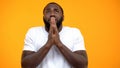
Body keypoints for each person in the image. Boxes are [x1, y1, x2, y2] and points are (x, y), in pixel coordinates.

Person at [21, 2, 88, 68]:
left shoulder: (74, 32)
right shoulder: (32, 32)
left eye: (56, 11)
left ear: (63, 17)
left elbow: (83, 65)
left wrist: (59, 43)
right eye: (48, 11)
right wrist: (49, 43)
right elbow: (25, 65)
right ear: (43, 18)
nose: (52, 14)